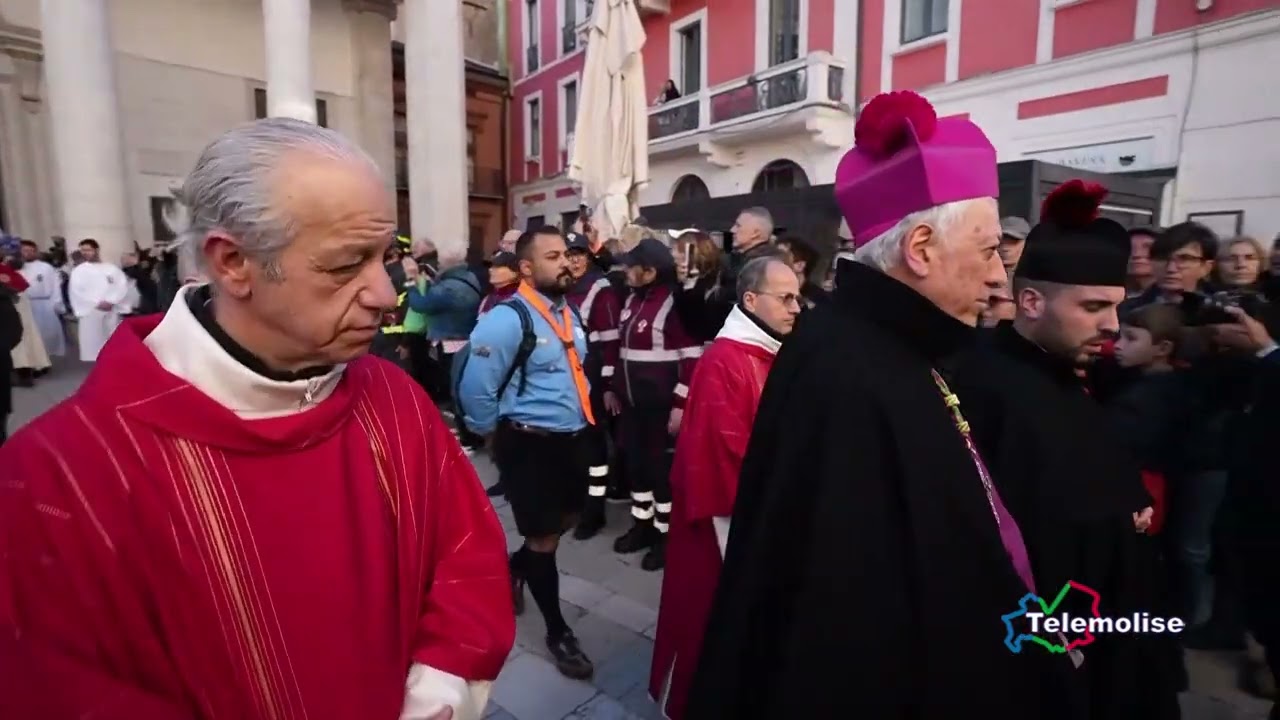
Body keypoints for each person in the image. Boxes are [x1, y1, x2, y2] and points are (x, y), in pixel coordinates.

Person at [0, 118, 514, 719]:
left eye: (386, 258)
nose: (384, 292)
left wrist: (437, 692)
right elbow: (61, 689)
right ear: (234, 262)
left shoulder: (394, 400)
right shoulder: (58, 474)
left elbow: (465, 558)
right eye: (346, 265)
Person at [687, 90, 1070, 717]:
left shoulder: (895, 349)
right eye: (988, 250)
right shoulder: (848, 379)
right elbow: (842, 630)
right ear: (921, 248)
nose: (1001, 276)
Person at [951, 180, 1182, 719]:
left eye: (1117, 308)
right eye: (1094, 306)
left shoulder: (1060, 372)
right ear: (1030, 301)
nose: (1111, 327)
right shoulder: (985, 384)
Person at [650, 256, 800, 720]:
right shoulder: (725, 362)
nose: (797, 307)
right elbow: (725, 456)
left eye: (798, 296)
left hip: (757, 512)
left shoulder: (768, 351)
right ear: (751, 300)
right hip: (720, 525)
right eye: (787, 298)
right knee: (709, 620)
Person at [456, 226, 596, 680]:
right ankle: (559, 633)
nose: (567, 263)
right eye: (554, 256)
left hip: (573, 439)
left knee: (564, 523)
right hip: (530, 444)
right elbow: (476, 389)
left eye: (569, 255)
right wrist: (492, 437)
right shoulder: (506, 319)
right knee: (544, 540)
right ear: (527, 268)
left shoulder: (568, 313)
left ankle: (513, 569)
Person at [610, 237, 703, 571]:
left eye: (631, 266)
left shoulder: (675, 304)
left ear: (649, 272)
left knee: (661, 474)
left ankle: (666, 537)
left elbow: (693, 360)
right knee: (636, 469)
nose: (625, 271)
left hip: (662, 409)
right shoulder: (632, 300)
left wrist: (679, 405)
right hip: (632, 406)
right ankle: (643, 526)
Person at [67, 238, 131, 361]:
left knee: (113, 339)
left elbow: (122, 286)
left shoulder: (111, 268)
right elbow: (77, 291)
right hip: (91, 310)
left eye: (88, 250)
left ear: (96, 250)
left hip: (111, 309)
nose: (85, 253)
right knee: (94, 341)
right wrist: (96, 303)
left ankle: (115, 362)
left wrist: (111, 301)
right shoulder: (79, 271)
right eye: (83, 250)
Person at [18, 239, 66, 359]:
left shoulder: (46, 268)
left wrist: (56, 304)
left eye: (31, 250)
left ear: (36, 251)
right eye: (25, 250)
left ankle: (45, 361)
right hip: (25, 305)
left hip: (44, 304)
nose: (28, 253)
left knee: (45, 334)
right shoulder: (18, 268)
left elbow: (55, 285)